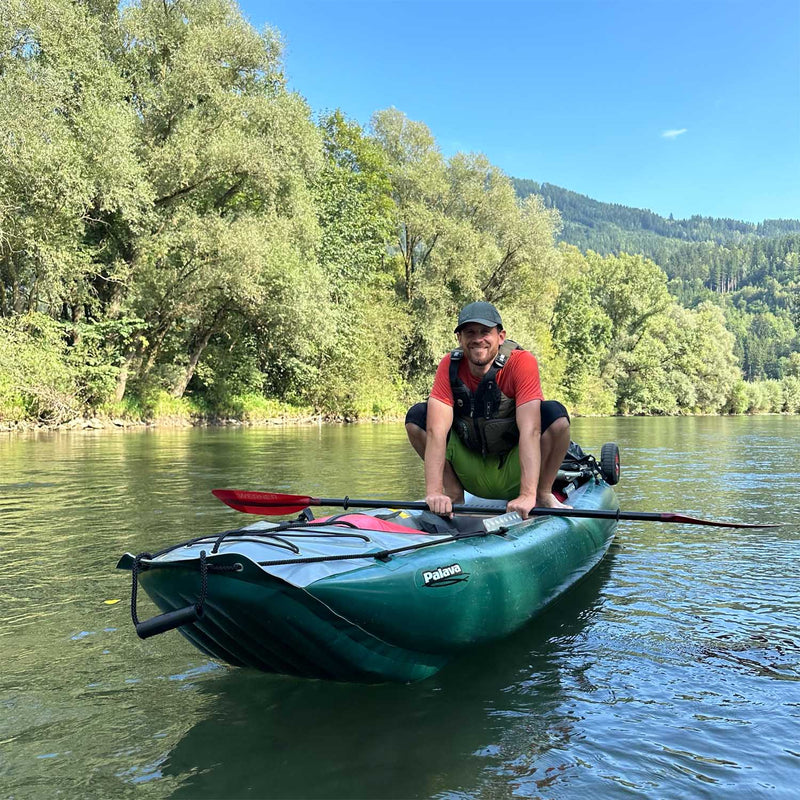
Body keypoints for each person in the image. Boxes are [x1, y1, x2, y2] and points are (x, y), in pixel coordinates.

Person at [405, 301, 571, 519]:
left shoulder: (522, 362)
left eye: (485, 332)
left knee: (555, 415)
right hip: (472, 471)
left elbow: (531, 429)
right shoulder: (449, 365)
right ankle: (454, 494)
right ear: (460, 338)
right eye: (470, 332)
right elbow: (436, 431)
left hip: (513, 469)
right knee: (417, 417)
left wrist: (527, 494)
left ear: (501, 337)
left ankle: (542, 493)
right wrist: (434, 493)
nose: (477, 339)